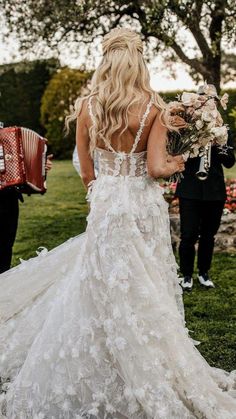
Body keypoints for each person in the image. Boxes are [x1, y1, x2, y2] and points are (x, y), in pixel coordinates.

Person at [0, 28, 236, 419]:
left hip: (108, 202)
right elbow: (158, 168)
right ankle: (147, 359)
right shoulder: (153, 108)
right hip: (142, 205)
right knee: (146, 285)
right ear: (139, 62)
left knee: (102, 285)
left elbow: (86, 173)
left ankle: (104, 361)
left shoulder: (89, 107)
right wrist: (180, 161)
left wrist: (107, 192)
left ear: (107, 60)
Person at [176, 86, 235, 291]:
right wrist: (196, 136)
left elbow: (230, 162)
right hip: (190, 190)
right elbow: (177, 152)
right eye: (204, 99)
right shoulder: (187, 127)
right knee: (188, 235)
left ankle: (203, 272)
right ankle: (186, 275)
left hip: (214, 191)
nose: (209, 103)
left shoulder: (225, 130)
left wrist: (218, 144)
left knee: (208, 236)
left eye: (213, 100)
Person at [0, 154, 53, 274]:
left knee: (4, 252)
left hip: (8, 201)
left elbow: (17, 163)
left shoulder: (9, 136)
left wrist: (39, 165)